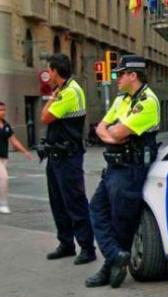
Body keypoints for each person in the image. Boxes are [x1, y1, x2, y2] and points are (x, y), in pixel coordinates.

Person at [86, 55, 160, 288]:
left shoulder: (147, 102)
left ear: (133, 75)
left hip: (131, 169)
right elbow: (100, 128)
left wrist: (112, 135)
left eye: (120, 74)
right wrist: (112, 134)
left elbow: (116, 133)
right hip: (114, 167)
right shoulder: (121, 99)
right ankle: (114, 255)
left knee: (121, 221)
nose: (116, 78)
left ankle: (111, 264)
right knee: (96, 209)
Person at [40, 53, 96, 265]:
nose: (48, 74)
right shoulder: (63, 90)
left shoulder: (70, 92)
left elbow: (44, 117)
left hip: (68, 156)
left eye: (49, 70)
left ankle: (87, 247)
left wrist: (52, 100)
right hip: (56, 155)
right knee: (58, 202)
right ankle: (66, 243)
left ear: (55, 71)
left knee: (74, 201)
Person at [0, 101, 33, 214]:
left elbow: (14, 141)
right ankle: (3, 204)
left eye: (4, 110)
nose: (3, 112)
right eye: (0, 110)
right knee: (4, 178)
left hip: (4, 157)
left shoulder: (6, 125)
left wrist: (25, 151)